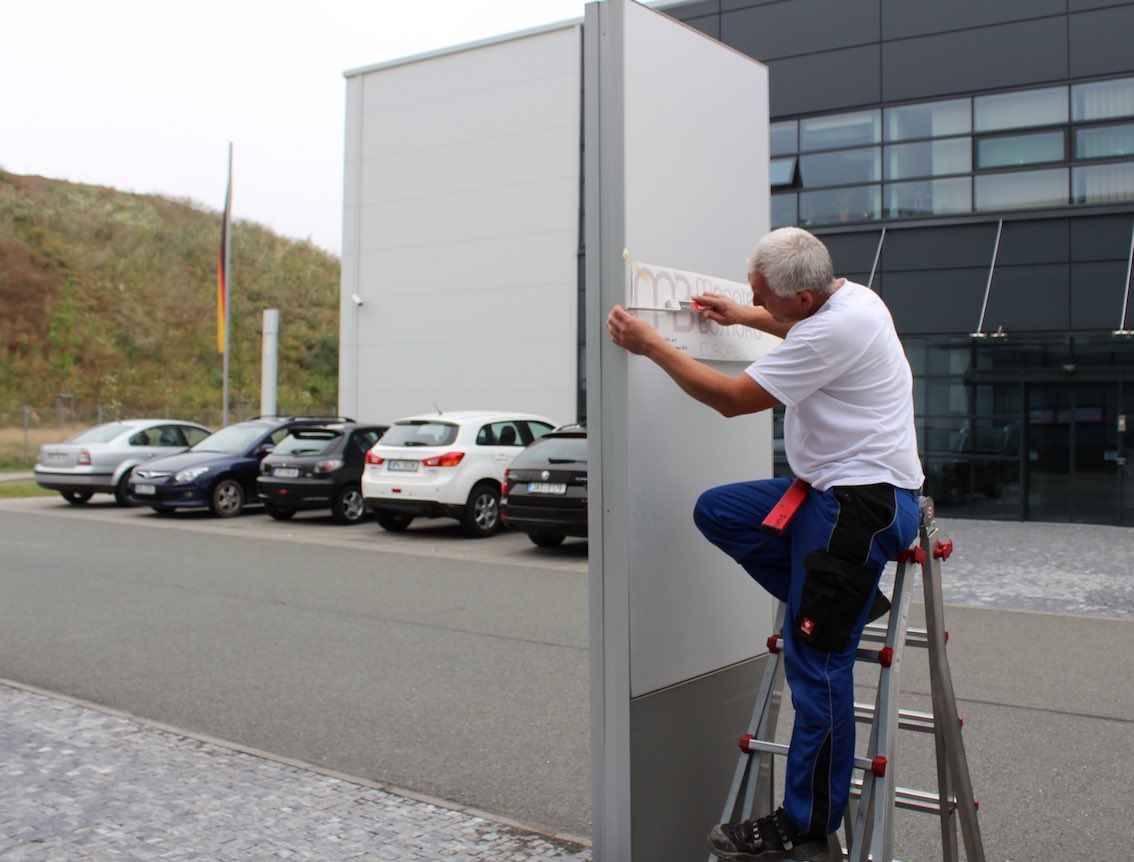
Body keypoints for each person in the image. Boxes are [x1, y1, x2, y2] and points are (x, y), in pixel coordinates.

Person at [606, 226, 924, 861]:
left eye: (763, 297)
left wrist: (652, 346)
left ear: (803, 298)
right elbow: (789, 327)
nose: (757, 305)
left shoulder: (832, 328)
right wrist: (742, 314)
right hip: (827, 494)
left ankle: (805, 823)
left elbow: (730, 400)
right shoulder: (853, 298)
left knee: (816, 665)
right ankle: (842, 600)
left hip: (861, 507)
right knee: (721, 511)